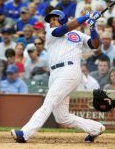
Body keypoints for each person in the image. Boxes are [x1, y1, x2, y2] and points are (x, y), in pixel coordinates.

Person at [11, 9, 105, 143]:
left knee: (49, 102)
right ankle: (95, 128)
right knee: (62, 118)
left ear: (62, 18)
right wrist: (86, 16)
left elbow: (94, 45)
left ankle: (25, 133)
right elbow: (65, 29)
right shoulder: (51, 32)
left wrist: (92, 27)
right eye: (50, 20)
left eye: (54, 19)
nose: (51, 22)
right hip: (55, 74)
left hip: (70, 70)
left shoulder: (77, 34)